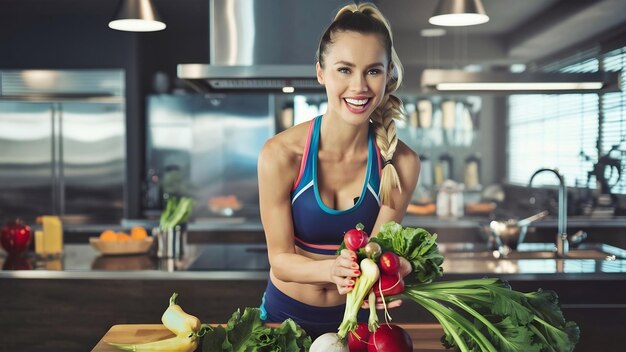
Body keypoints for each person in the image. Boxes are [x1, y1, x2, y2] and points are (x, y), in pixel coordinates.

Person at [257, 2, 420, 338]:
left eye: (373, 71)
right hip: (284, 318)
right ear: (321, 72)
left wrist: (399, 271)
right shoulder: (281, 154)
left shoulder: (399, 163)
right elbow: (280, 259)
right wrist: (329, 269)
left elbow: (373, 253)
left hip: (358, 324)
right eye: (344, 70)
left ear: (388, 74)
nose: (359, 87)